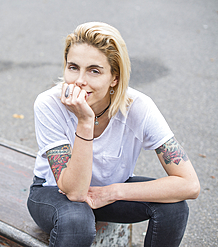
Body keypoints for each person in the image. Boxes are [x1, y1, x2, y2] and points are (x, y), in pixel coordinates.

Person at [27, 22, 200, 247]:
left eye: (94, 70)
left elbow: (190, 185)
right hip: (53, 193)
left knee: (174, 207)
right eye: (73, 67)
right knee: (77, 220)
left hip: (108, 192)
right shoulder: (49, 104)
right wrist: (85, 121)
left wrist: (113, 192)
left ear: (115, 78)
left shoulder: (139, 107)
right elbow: (75, 192)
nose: (79, 80)